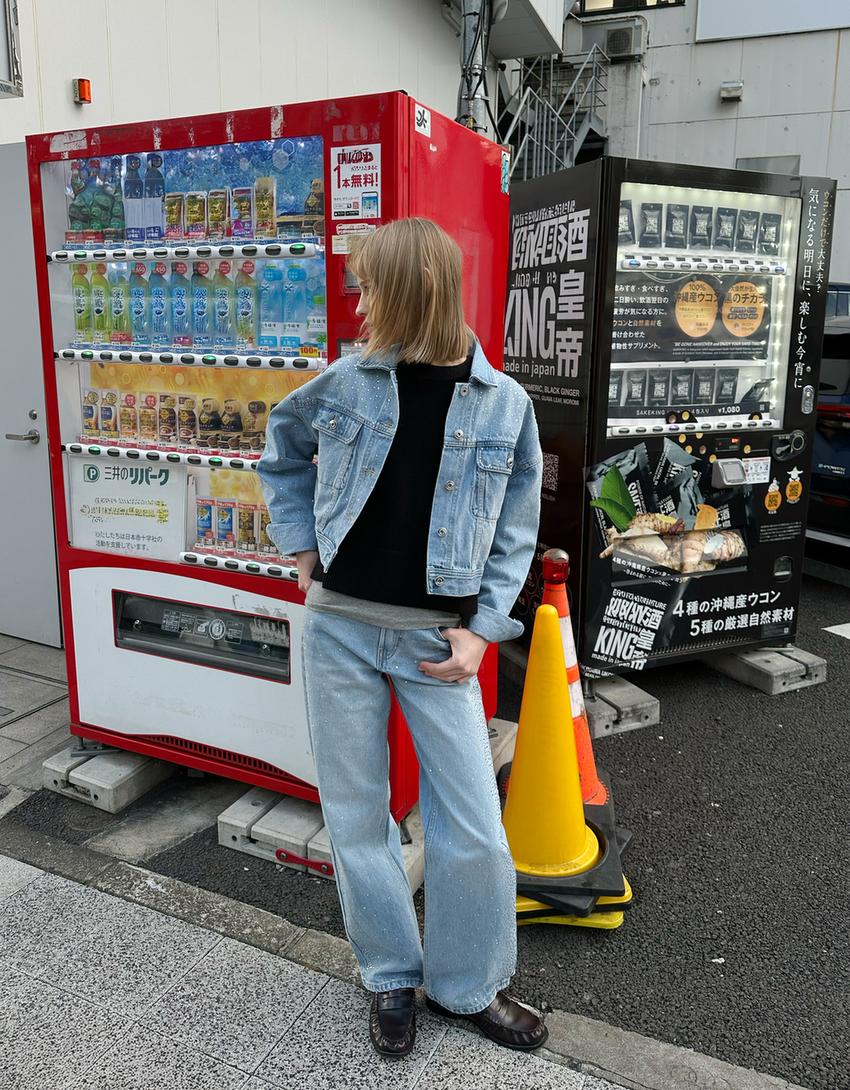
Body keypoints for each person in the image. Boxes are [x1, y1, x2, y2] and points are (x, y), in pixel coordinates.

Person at [257, 217, 545, 1058]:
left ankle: (467, 985)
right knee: (356, 817)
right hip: (341, 629)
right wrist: (304, 549)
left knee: (474, 825)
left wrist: (483, 632)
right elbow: (281, 454)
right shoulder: (345, 383)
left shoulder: (505, 404)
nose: (360, 300)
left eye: (370, 286)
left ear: (412, 292)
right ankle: (390, 975)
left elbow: (514, 531)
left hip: (435, 643)